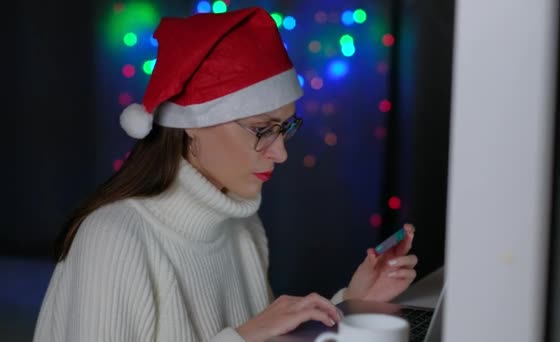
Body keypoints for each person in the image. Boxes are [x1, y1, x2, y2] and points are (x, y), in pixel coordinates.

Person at [33, 6, 417, 342]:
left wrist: (353, 301)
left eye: (285, 128)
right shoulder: (114, 238)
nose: (280, 152)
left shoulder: (240, 225)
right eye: (262, 129)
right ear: (193, 124)